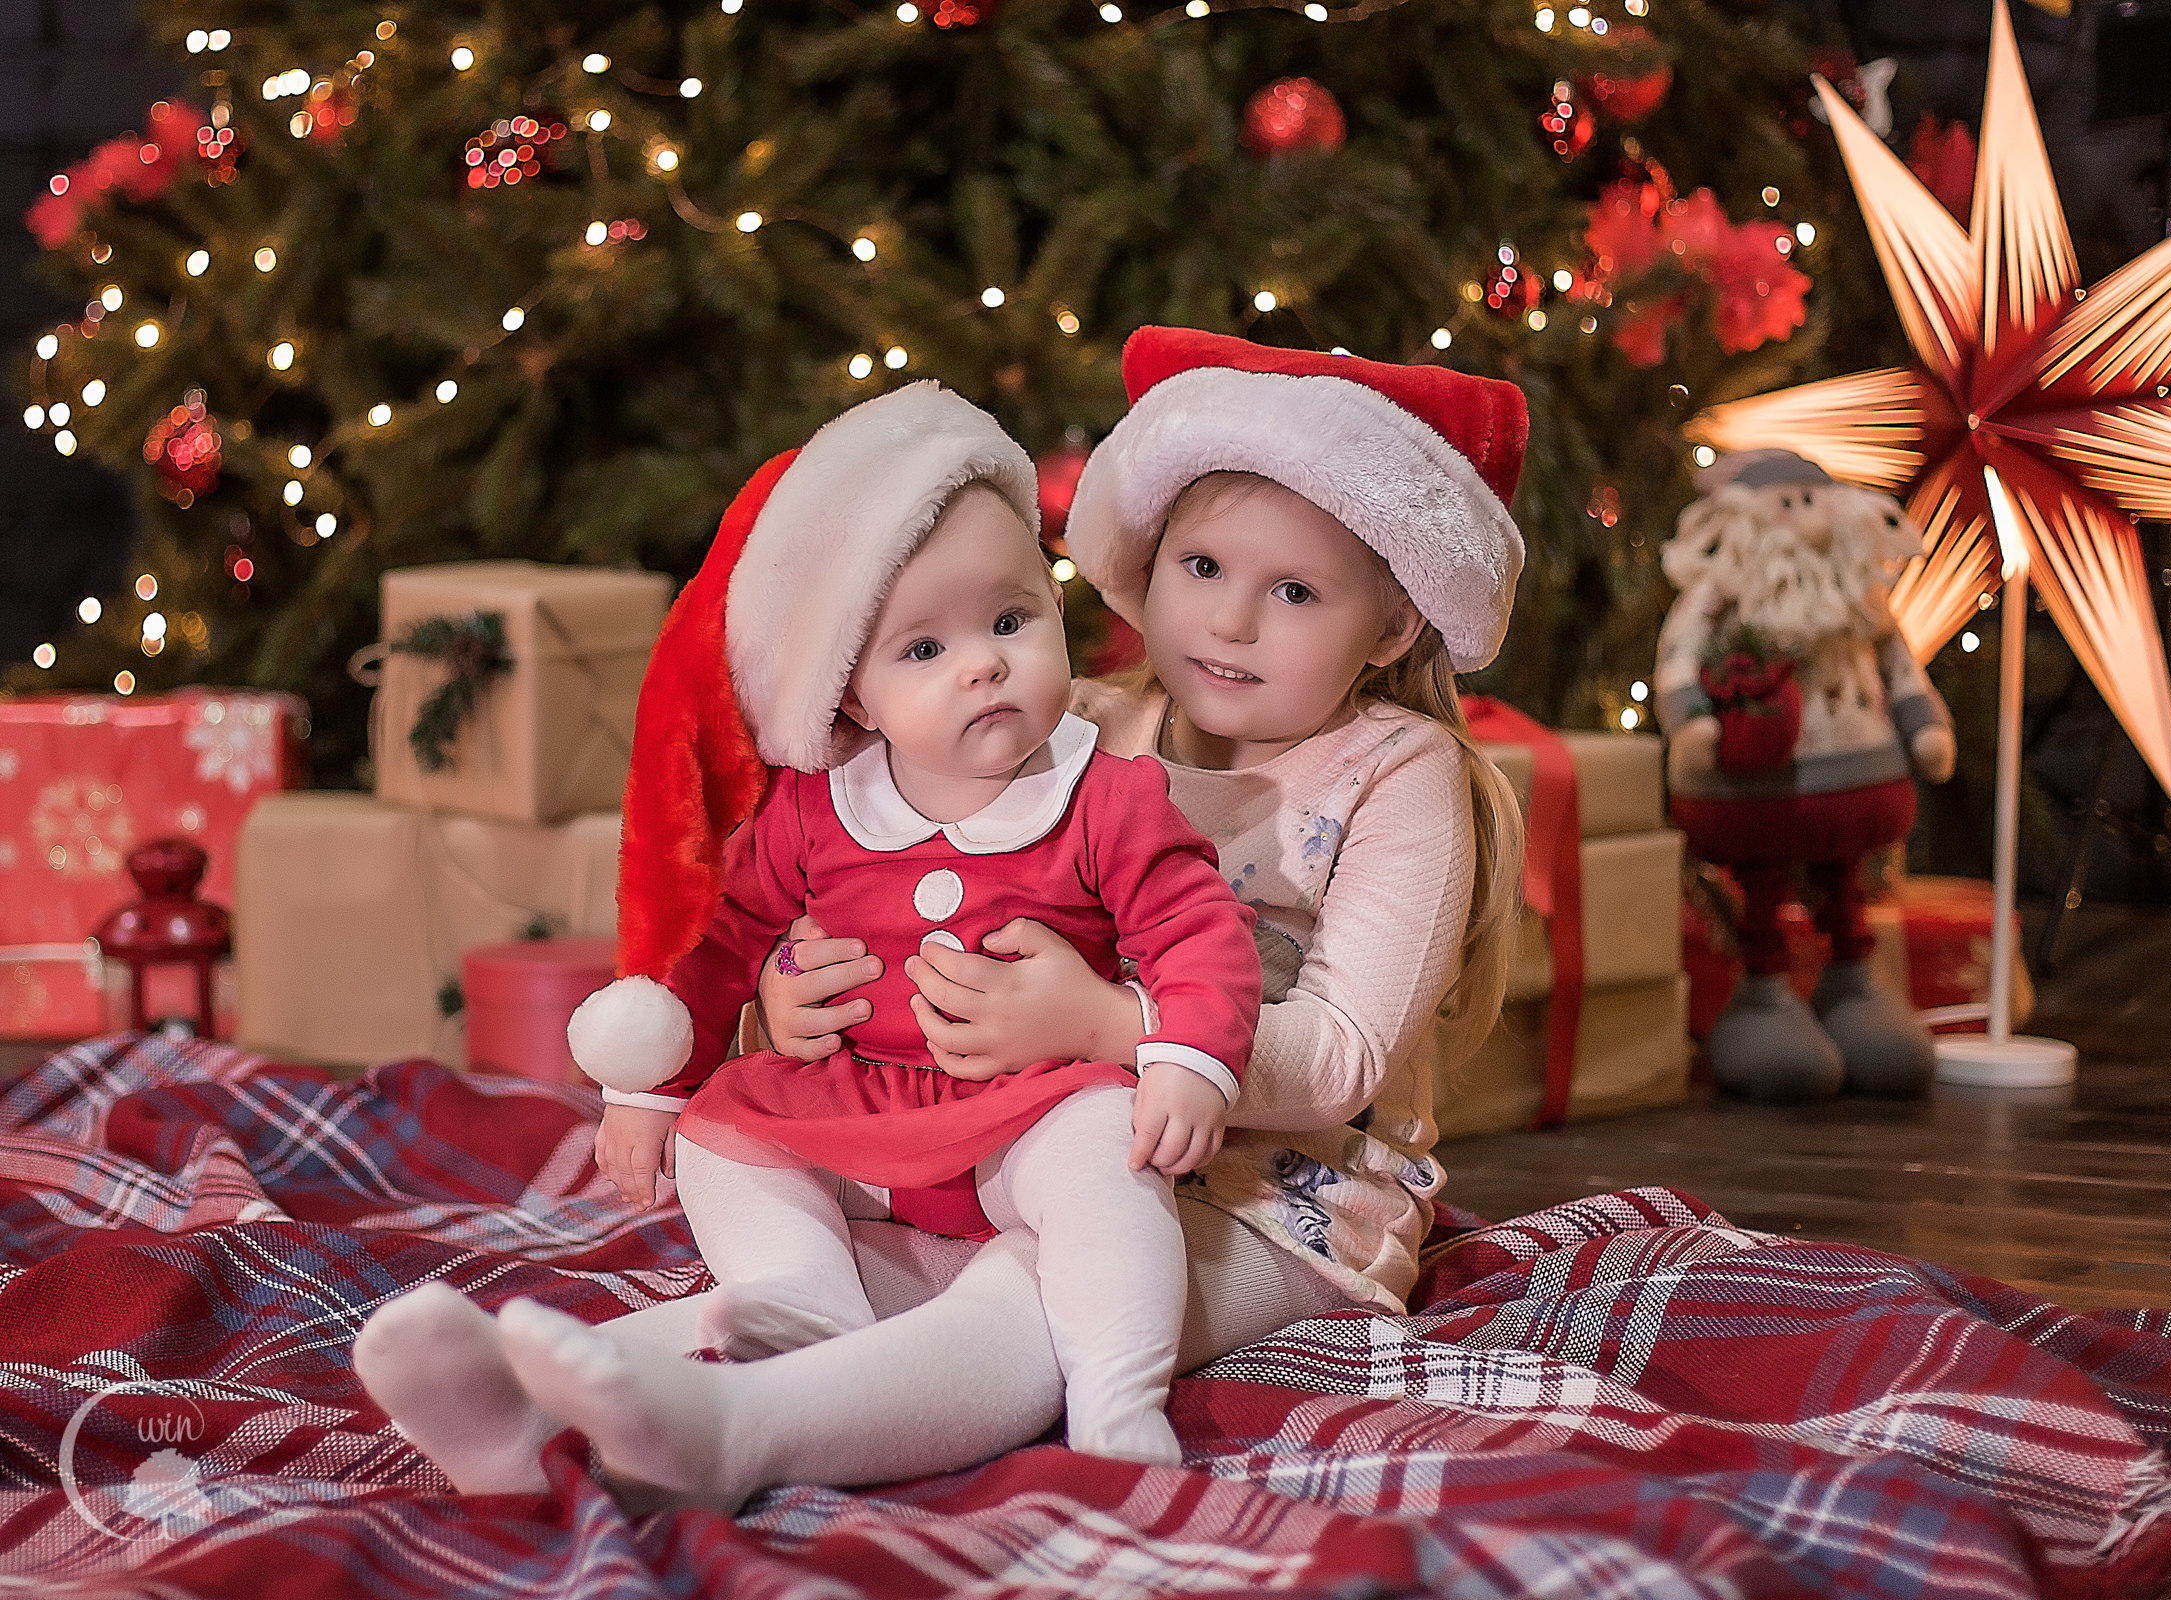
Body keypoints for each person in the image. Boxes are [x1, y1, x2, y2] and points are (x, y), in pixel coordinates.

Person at [353, 328, 1528, 1509]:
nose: (1227, 623)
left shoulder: (1398, 774)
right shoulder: (1079, 722)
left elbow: (1336, 1060)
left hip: (1281, 1198)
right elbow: (878, 888)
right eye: (1204, 566)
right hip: (1018, 1138)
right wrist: (787, 1002)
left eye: (1294, 591)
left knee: (1031, 1296)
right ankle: (529, 1404)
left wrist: (1100, 1022)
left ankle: (737, 1435)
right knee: (827, 1276)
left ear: (1390, 626)